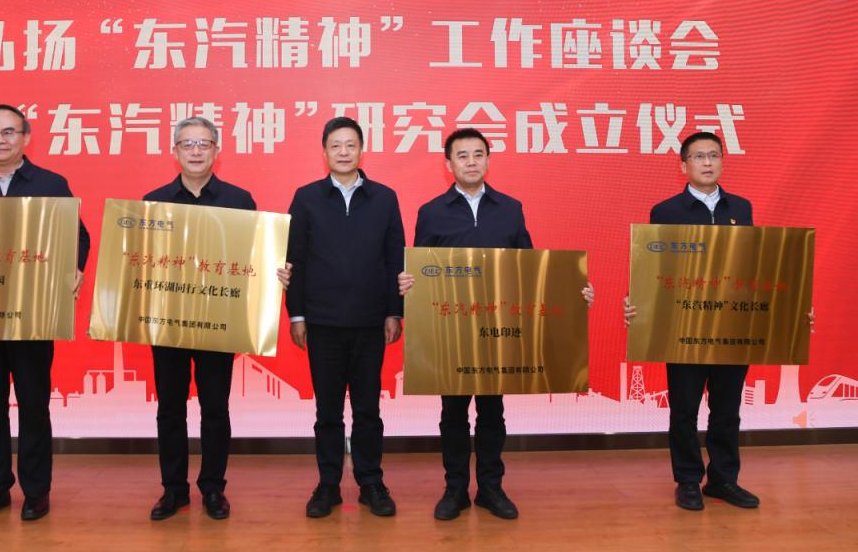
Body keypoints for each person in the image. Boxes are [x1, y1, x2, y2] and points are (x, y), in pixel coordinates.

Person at [398, 128, 593, 520]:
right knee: (453, 414)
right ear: (448, 164)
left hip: (498, 331)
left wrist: (573, 292)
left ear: (488, 160)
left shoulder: (510, 209)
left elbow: (531, 268)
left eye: (478, 154)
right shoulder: (431, 212)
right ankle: (455, 490)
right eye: (462, 155)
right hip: (451, 332)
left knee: (492, 412)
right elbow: (420, 268)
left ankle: (490, 488)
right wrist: (409, 283)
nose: (471, 162)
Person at [144, 117, 291, 521]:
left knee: (215, 408)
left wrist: (275, 270)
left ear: (216, 150)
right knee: (169, 409)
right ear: (174, 151)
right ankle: (173, 490)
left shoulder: (239, 201)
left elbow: (253, 259)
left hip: (218, 322)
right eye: (187, 144)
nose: (195, 151)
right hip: (169, 323)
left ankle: (213, 488)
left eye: (203, 144)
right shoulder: (154, 202)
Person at [0, 104, 91, 522]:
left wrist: (74, 268)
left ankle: (36, 490)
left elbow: (78, 235)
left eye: (9, 132)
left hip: (33, 314)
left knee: (33, 404)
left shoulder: (50, 183)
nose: (0, 139)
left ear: (25, 137)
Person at [624, 131, 766, 511]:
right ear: (683, 165)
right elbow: (652, 267)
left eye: (713, 155)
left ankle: (723, 479)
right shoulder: (666, 211)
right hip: (683, 327)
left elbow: (752, 266)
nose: (707, 162)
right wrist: (637, 301)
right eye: (699, 156)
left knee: (727, 409)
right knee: (684, 409)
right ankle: (688, 480)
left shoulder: (741, 208)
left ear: (722, 161)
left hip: (731, 327)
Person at [285, 116, 405, 518]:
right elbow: (295, 259)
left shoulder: (384, 198)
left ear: (361, 150)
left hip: (371, 322)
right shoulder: (307, 198)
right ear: (324, 152)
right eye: (335, 145)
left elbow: (395, 258)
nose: (343, 152)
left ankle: (371, 483)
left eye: (350, 145)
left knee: (368, 410)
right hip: (323, 322)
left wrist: (394, 311)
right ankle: (329, 484)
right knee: (328, 412)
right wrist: (297, 314)